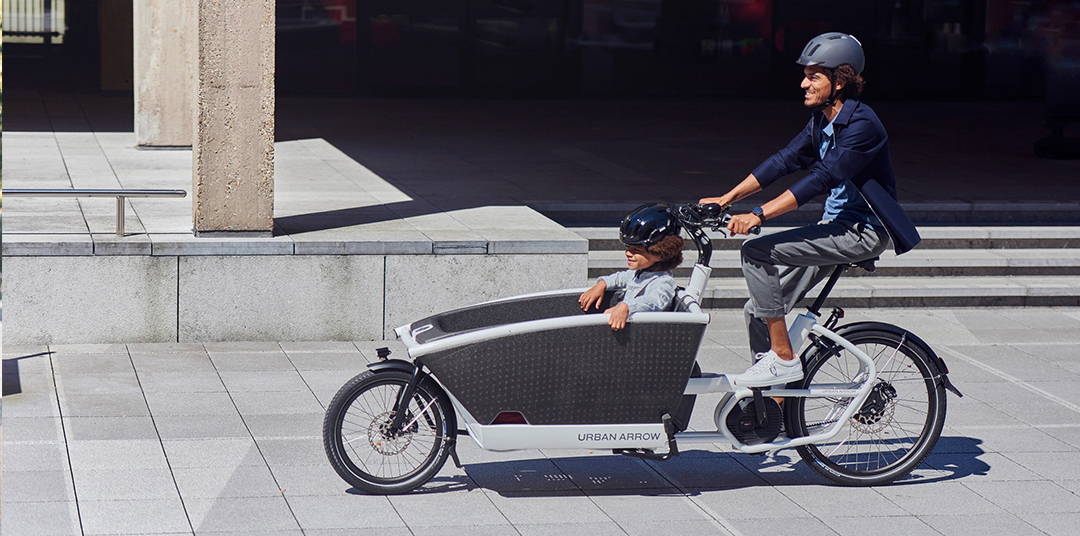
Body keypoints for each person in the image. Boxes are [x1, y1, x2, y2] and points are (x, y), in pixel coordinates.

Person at [700, 32, 921, 388]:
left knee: (757, 251)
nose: (803, 83)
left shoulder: (863, 125)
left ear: (840, 81)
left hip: (861, 231)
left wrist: (757, 216)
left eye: (813, 76)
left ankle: (783, 359)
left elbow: (822, 178)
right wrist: (726, 199)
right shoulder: (822, 121)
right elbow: (784, 161)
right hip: (835, 226)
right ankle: (771, 403)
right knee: (757, 310)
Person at [579, 204, 686, 330]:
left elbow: (653, 301)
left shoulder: (664, 282)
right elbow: (621, 277)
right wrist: (602, 284)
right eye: (628, 248)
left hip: (643, 335)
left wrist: (627, 306)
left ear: (659, 254)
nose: (628, 253)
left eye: (636, 250)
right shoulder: (640, 272)